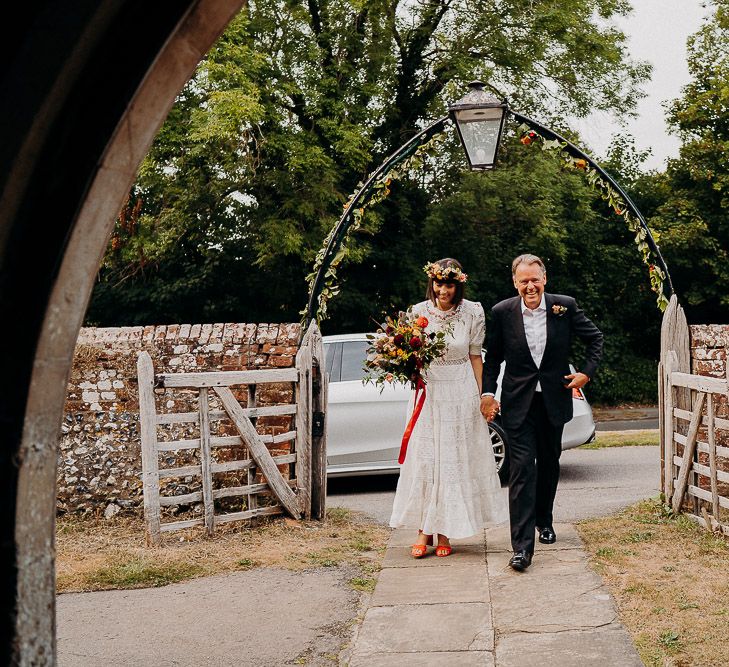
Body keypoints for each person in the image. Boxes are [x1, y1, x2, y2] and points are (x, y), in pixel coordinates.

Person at [481, 254, 603, 571]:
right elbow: (492, 358)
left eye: (535, 279)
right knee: (522, 470)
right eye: (524, 281)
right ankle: (521, 548)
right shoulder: (502, 312)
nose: (530, 286)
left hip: (553, 399)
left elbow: (595, 339)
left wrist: (586, 373)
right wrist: (488, 393)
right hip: (518, 403)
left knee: (549, 463)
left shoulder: (565, 307)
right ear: (515, 283)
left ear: (544, 279)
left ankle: (544, 520)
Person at [390, 258, 508, 558]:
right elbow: (409, 356)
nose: (443, 290)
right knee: (427, 460)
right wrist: (404, 366)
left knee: (453, 460)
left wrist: (485, 396)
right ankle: (423, 530)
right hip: (429, 391)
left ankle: (444, 532)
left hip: (460, 389)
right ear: (432, 283)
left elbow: (475, 357)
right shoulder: (417, 312)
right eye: (439, 284)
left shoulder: (473, 312)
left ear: (459, 285)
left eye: (450, 285)